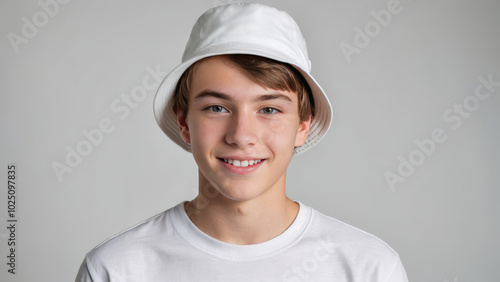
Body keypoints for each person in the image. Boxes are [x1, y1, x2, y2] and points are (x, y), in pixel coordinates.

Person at [76, 3, 408, 281]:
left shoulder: (369, 268)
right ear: (184, 123)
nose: (241, 135)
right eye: (216, 108)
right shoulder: (117, 269)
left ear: (302, 126)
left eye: (269, 109)